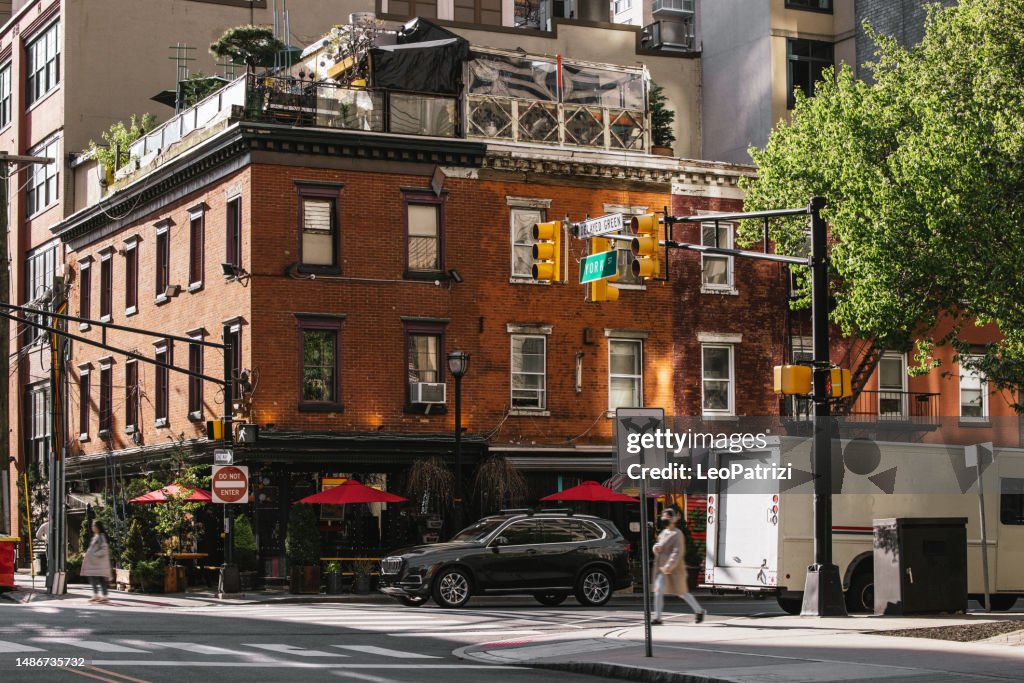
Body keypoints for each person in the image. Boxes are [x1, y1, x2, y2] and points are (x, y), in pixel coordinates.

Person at [651, 508, 705, 625]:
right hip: (662, 568)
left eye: (667, 517)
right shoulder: (663, 533)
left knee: (682, 592)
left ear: (673, 519)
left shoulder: (677, 534)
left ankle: (699, 611)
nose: (664, 519)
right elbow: (658, 547)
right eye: (663, 517)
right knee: (658, 591)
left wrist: (669, 566)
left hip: (674, 569)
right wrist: (656, 548)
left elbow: (677, 552)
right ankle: (658, 617)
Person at [81, 520, 113, 604]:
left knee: (99, 579)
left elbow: (104, 550)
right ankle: (98, 595)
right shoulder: (97, 536)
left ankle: (102, 596)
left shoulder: (101, 536)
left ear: (98, 527)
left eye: (94, 526)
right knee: (95, 578)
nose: (92, 527)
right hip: (95, 564)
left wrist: (94, 554)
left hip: (98, 563)